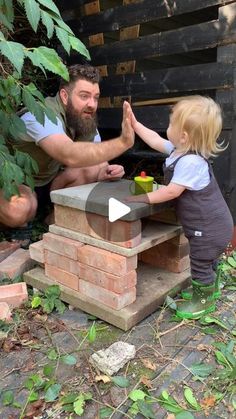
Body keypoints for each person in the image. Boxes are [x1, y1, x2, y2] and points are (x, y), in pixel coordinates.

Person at [125, 96, 234, 320]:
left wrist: (141, 198)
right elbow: (155, 140)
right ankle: (208, 289)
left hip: (208, 229)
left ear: (183, 135)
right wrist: (135, 125)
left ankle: (203, 301)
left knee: (200, 263)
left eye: (171, 123)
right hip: (214, 226)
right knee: (207, 261)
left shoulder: (190, 162)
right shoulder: (181, 151)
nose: (168, 127)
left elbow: (171, 192)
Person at [0, 64, 134, 235]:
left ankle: (54, 219)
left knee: (93, 166)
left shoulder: (83, 119)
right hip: (18, 181)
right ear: (64, 95)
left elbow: (96, 160)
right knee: (19, 210)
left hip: (50, 180)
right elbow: (69, 154)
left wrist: (106, 172)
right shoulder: (41, 115)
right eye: (84, 96)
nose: (92, 104)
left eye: (96, 97)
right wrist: (123, 142)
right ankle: (20, 225)